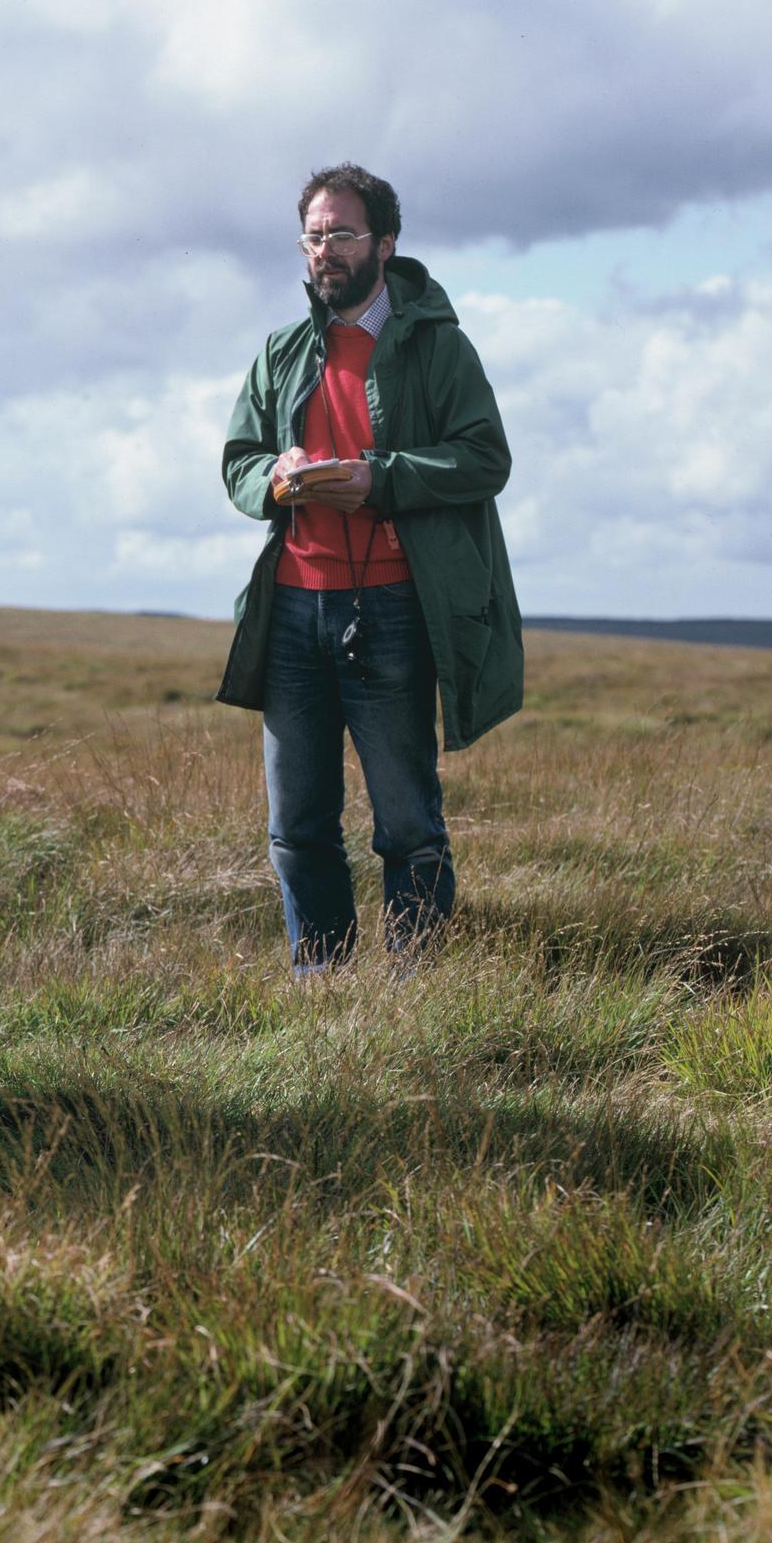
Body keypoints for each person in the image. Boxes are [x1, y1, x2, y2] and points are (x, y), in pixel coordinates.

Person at [216, 163, 522, 969]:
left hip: (389, 610)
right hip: (291, 610)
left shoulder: (438, 347)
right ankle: (323, 984)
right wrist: (273, 480)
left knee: (407, 825)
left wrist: (378, 478)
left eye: (343, 234)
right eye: (314, 235)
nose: (325, 250)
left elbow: (485, 458)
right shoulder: (281, 352)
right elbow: (238, 460)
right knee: (297, 826)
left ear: (385, 244)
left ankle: (414, 990)